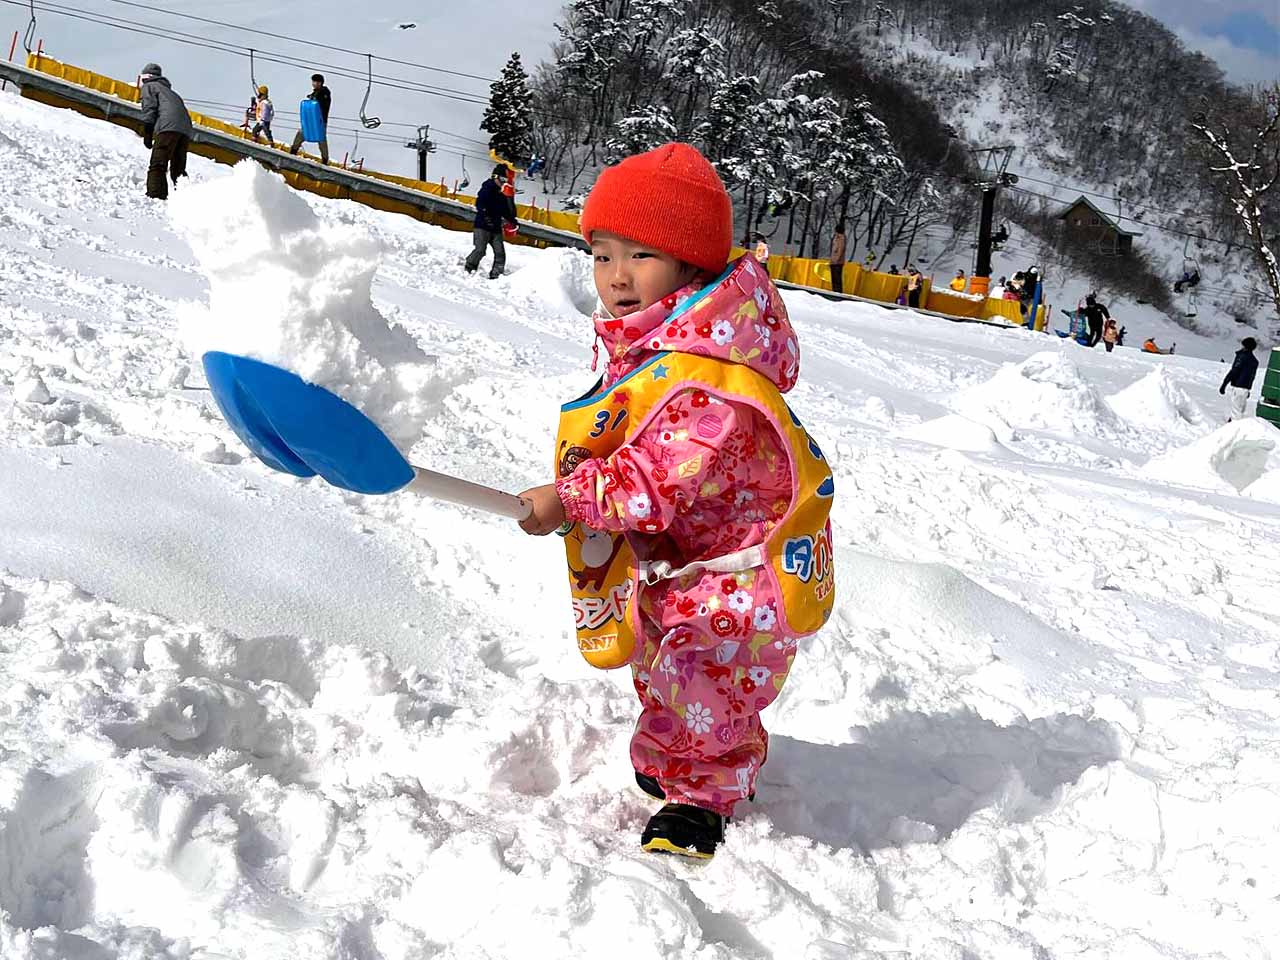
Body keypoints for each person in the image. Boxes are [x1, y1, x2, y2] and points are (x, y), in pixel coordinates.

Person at [515, 143, 833, 860]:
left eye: (641, 256)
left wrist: (569, 499)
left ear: (690, 266)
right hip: (681, 564)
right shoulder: (660, 344)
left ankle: (701, 799)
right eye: (602, 255)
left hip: (738, 575)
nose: (617, 277)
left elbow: (657, 477)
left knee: (703, 678)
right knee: (662, 663)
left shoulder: (711, 376)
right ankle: (677, 759)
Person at [138, 63, 194, 201]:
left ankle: (156, 196)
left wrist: (148, 131)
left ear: (146, 77)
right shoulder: (171, 93)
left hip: (168, 128)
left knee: (158, 163)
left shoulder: (149, 86)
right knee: (178, 167)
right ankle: (187, 197)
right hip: (185, 130)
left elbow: (150, 108)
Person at [464, 164, 518, 279]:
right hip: (482, 226)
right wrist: (486, 217)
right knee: (480, 250)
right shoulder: (487, 188)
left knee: (500, 253)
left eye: (505, 180)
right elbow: (480, 204)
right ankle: (469, 266)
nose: (503, 182)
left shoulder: (502, 194)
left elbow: (507, 212)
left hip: (495, 228)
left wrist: (512, 220)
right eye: (502, 179)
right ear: (495, 177)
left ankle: (496, 275)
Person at [290, 73, 331, 164]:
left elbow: (322, 103)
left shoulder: (325, 93)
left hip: (320, 121)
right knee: (301, 134)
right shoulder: (314, 93)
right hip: (311, 120)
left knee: (321, 138)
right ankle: (293, 151)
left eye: (316, 82)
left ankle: (325, 159)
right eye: (313, 81)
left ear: (320, 83)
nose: (314, 83)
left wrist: (315, 99)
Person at [1220, 337, 1260, 421]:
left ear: (1245, 345)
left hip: (1237, 387)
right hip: (1245, 389)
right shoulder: (1255, 361)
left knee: (1236, 412)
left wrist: (1224, 384)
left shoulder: (1241, 357)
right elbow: (1252, 377)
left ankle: (1233, 430)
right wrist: (1248, 389)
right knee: (1240, 411)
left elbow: (1234, 371)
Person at [829, 224, 847, 294]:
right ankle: (835, 290)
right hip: (834, 260)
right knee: (834, 277)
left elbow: (840, 250)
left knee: (837, 277)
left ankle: (837, 291)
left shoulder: (841, 238)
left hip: (837, 261)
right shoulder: (836, 237)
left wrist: (835, 260)